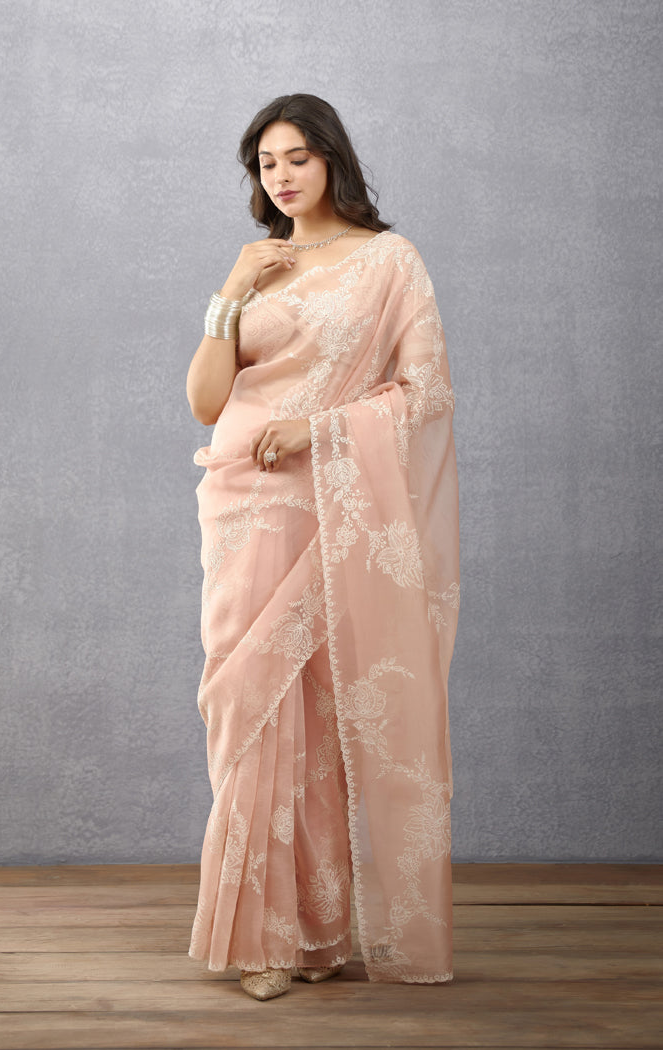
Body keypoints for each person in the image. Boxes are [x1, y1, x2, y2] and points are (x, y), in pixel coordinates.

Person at [185, 94, 459, 1001]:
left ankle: (312, 934)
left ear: (333, 158)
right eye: (266, 164)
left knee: (311, 712)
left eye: (297, 157)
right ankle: (259, 937)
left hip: (328, 500)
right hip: (240, 507)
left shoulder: (388, 262)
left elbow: (425, 392)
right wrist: (231, 289)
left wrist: (322, 429)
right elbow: (206, 401)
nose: (283, 176)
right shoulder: (259, 267)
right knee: (247, 706)